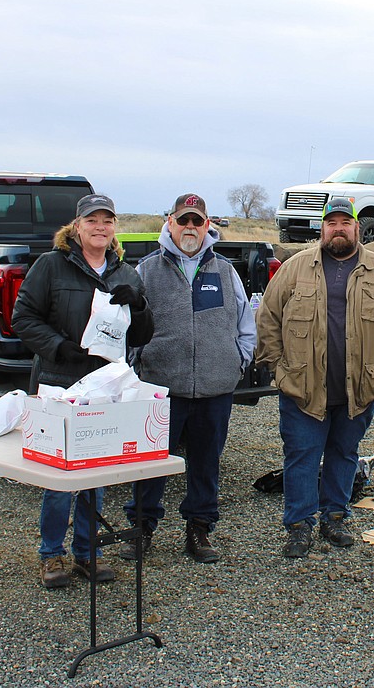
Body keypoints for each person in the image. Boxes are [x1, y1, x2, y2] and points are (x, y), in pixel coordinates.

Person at [255, 198, 374, 558]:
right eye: (332, 223)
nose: (338, 228)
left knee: (344, 452)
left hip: (359, 387)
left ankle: (335, 517)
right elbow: (267, 319)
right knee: (301, 456)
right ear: (321, 229)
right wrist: (280, 369)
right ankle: (299, 525)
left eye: (346, 222)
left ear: (358, 229)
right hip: (302, 387)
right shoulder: (295, 269)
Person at [12, 193, 154, 588]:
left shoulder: (125, 273)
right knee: (59, 474)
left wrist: (139, 305)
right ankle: (51, 554)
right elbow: (23, 318)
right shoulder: (51, 266)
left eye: (107, 221)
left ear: (114, 229)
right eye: (92, 220)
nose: (100, 227)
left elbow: (143, 334)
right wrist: (58, 346)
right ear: (76, 227)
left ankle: (87, 552)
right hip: (61, 383)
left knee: (97, 470)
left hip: (106, 386)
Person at [121, 193, 256, 564]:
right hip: (161, 389)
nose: (191, 228)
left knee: (206, 462)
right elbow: (127, 328)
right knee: (150, 462)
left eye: (198, 221)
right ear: (170, 223)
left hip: (215, 388)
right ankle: (141, 529)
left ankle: (199, 528)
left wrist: (236, 363)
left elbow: (246, 323)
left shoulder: (225, 271)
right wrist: (139, 367)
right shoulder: (146, 270)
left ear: (207, 225)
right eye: (184, 221)